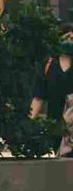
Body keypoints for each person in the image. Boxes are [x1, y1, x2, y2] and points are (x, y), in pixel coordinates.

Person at [30, 23, 73, 153]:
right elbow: (38, 98)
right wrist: (29, 124)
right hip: (56, 128)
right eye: (68, 36)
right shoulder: (48, 65)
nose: (71, 40)